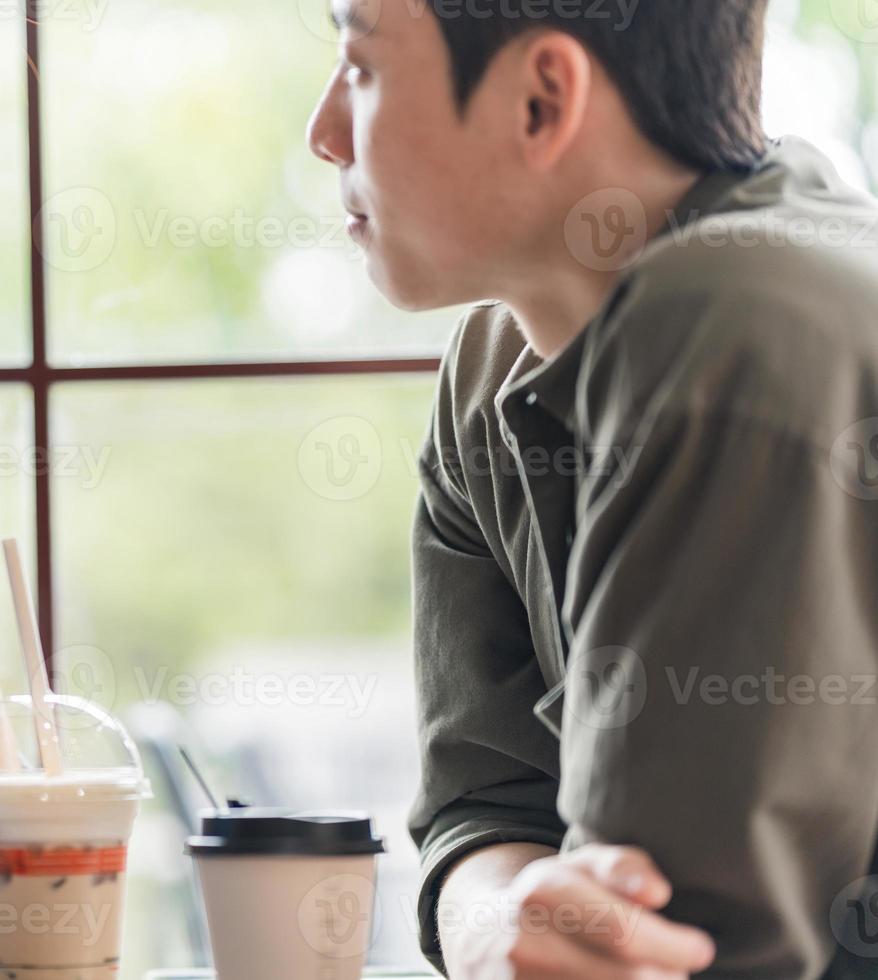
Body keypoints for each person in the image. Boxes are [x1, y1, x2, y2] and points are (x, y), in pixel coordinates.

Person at [307, 1, 878, 977]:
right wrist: (495, 926)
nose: (324, 133)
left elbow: (679, 946)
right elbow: (482, 809)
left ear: (542, 100)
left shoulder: (744, 323)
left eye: (361, 66)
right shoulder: (495, 363)